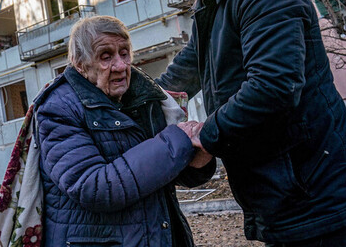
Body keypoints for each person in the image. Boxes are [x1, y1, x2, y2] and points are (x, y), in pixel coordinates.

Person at [157, 0, 346, 246]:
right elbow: (184, 73)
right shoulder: (216, 2)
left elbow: (273, 86)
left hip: (310, 186)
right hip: (283, 187)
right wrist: (122, 99)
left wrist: (207, 135)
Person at [35, 16, 215, 246]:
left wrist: (198, 156)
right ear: (79, 64)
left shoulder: (145, 96)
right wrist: (177, 140)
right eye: (106, 56)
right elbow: (93, 187)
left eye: (124, 53)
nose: (120, 65)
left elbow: (163, 171)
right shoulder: (58, 108)